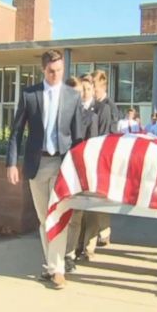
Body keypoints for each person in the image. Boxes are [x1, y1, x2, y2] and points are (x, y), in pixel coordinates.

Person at [6, 49, 82, 289]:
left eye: (59, 70)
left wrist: (79, 169)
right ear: (42, 69)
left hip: (62, 163)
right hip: (37, 164)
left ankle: (57, 269)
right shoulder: (30, 95)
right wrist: (11, 163)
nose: (55, 74)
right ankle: (52, 266)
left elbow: (78, 136)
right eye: (51, 71)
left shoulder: (72, 96)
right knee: (43, 217)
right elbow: (16, 131)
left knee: (58, 214)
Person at [82, 70, 119, 258]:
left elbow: (109, 136)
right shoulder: (90, 105)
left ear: (102, 86)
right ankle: (100, 234)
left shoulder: (108, 107)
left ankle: (90, 245)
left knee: (94, 206)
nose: (91, 91)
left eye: (93, 87)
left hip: (101, 160)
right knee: (93, 206)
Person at [65, 74, 98, 272]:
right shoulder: (60, 113)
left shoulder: (91, 117)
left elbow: (91, 147)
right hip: (59, 167)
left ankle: (69, 255)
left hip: (78, 171)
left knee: (75, 216)